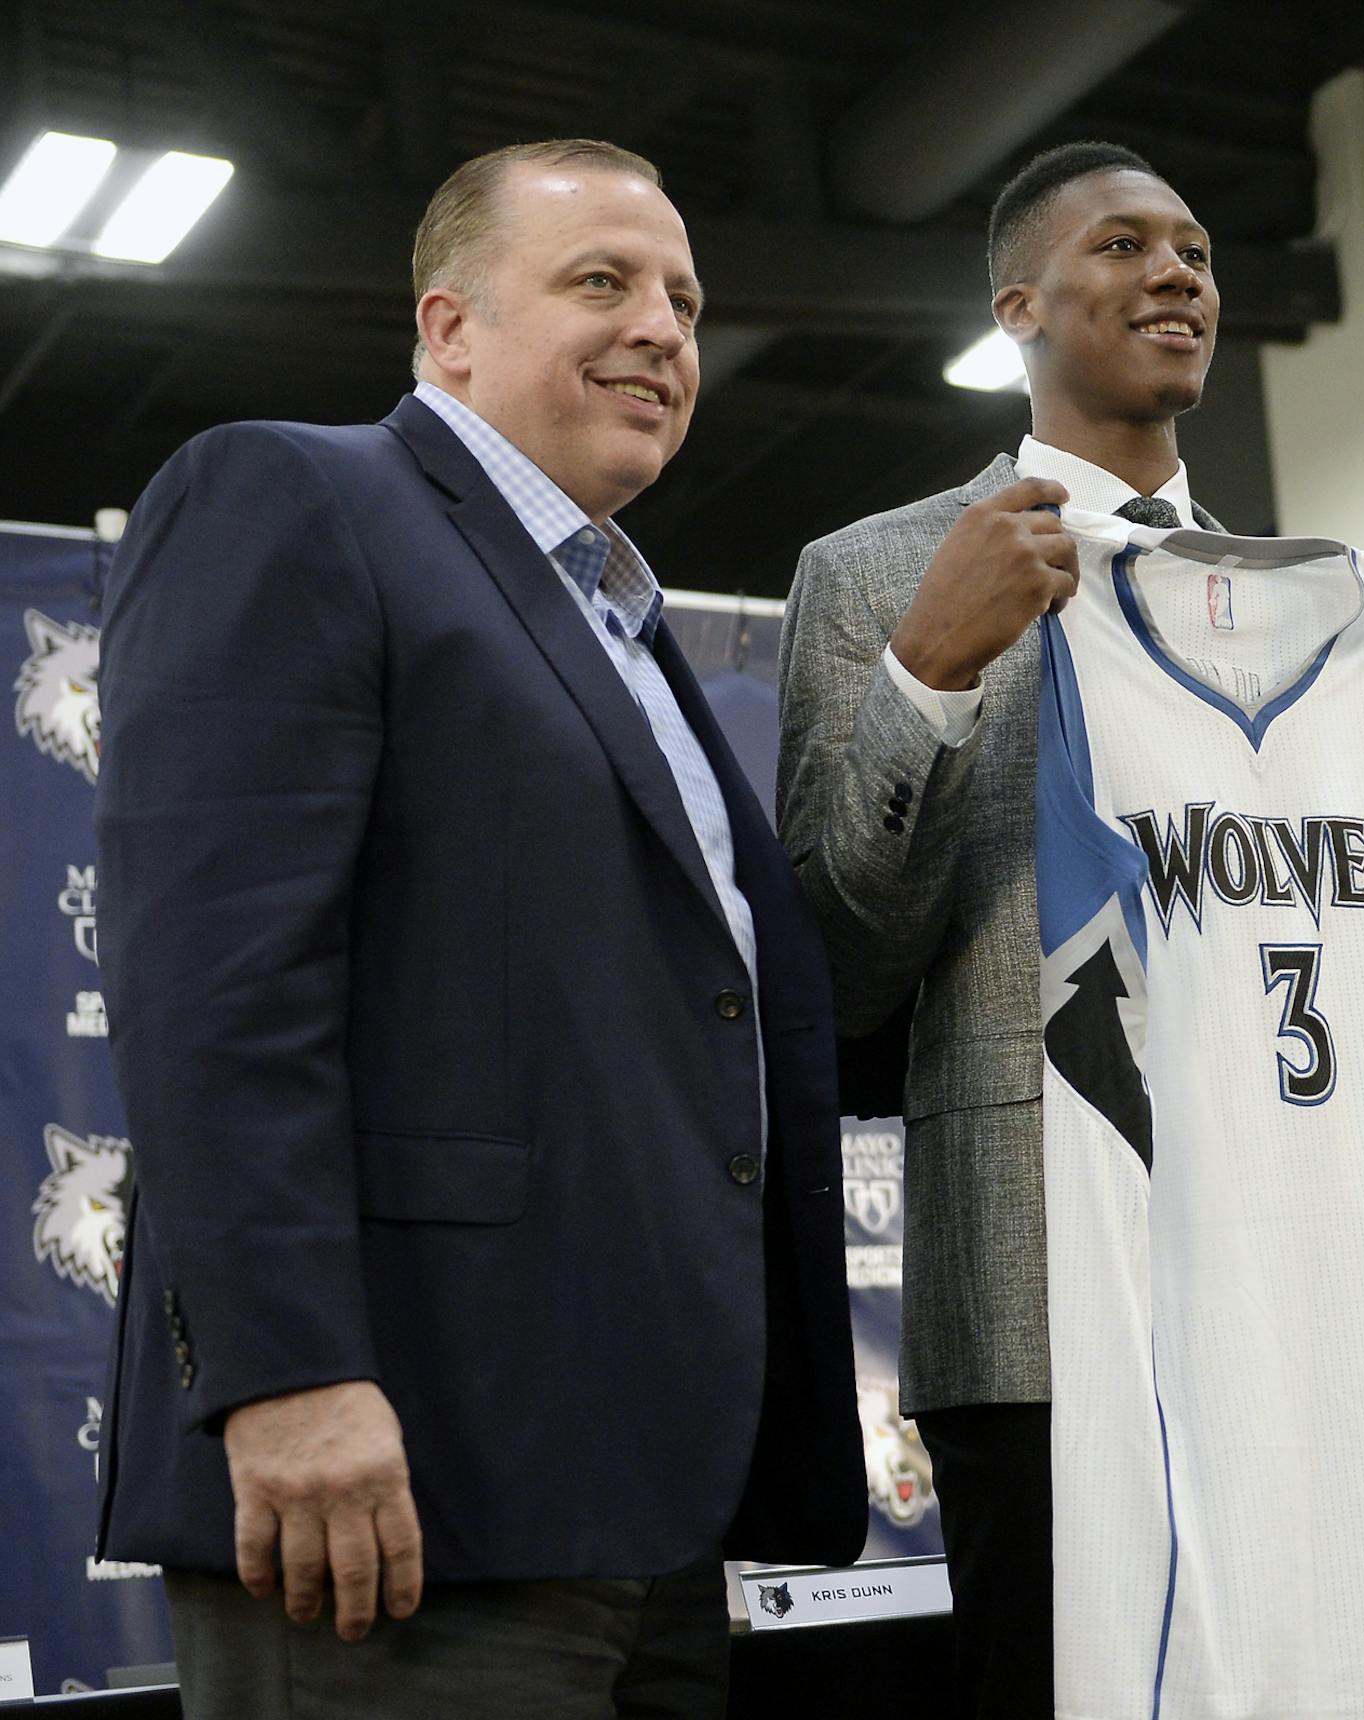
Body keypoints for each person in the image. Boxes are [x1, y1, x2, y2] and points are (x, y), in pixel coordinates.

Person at [93, 138, 864, 1718]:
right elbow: (217, 989)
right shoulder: (299, 495)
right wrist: (287, 1374)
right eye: (602, 280)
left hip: (651, 1512)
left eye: (685, 299)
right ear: (449, 327)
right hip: (398, 1499)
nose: (663, 326)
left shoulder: (629, 632)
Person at [775, 139, 1364, 1717]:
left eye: (1196, 250)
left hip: (1309, 1262)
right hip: (1050, 1297)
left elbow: (1353, 920)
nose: (1179, 274)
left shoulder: (1325, 590)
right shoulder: (874, 575)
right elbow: (841, 962)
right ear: (1020, 309)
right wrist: (927, 673)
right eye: (1125, 247)